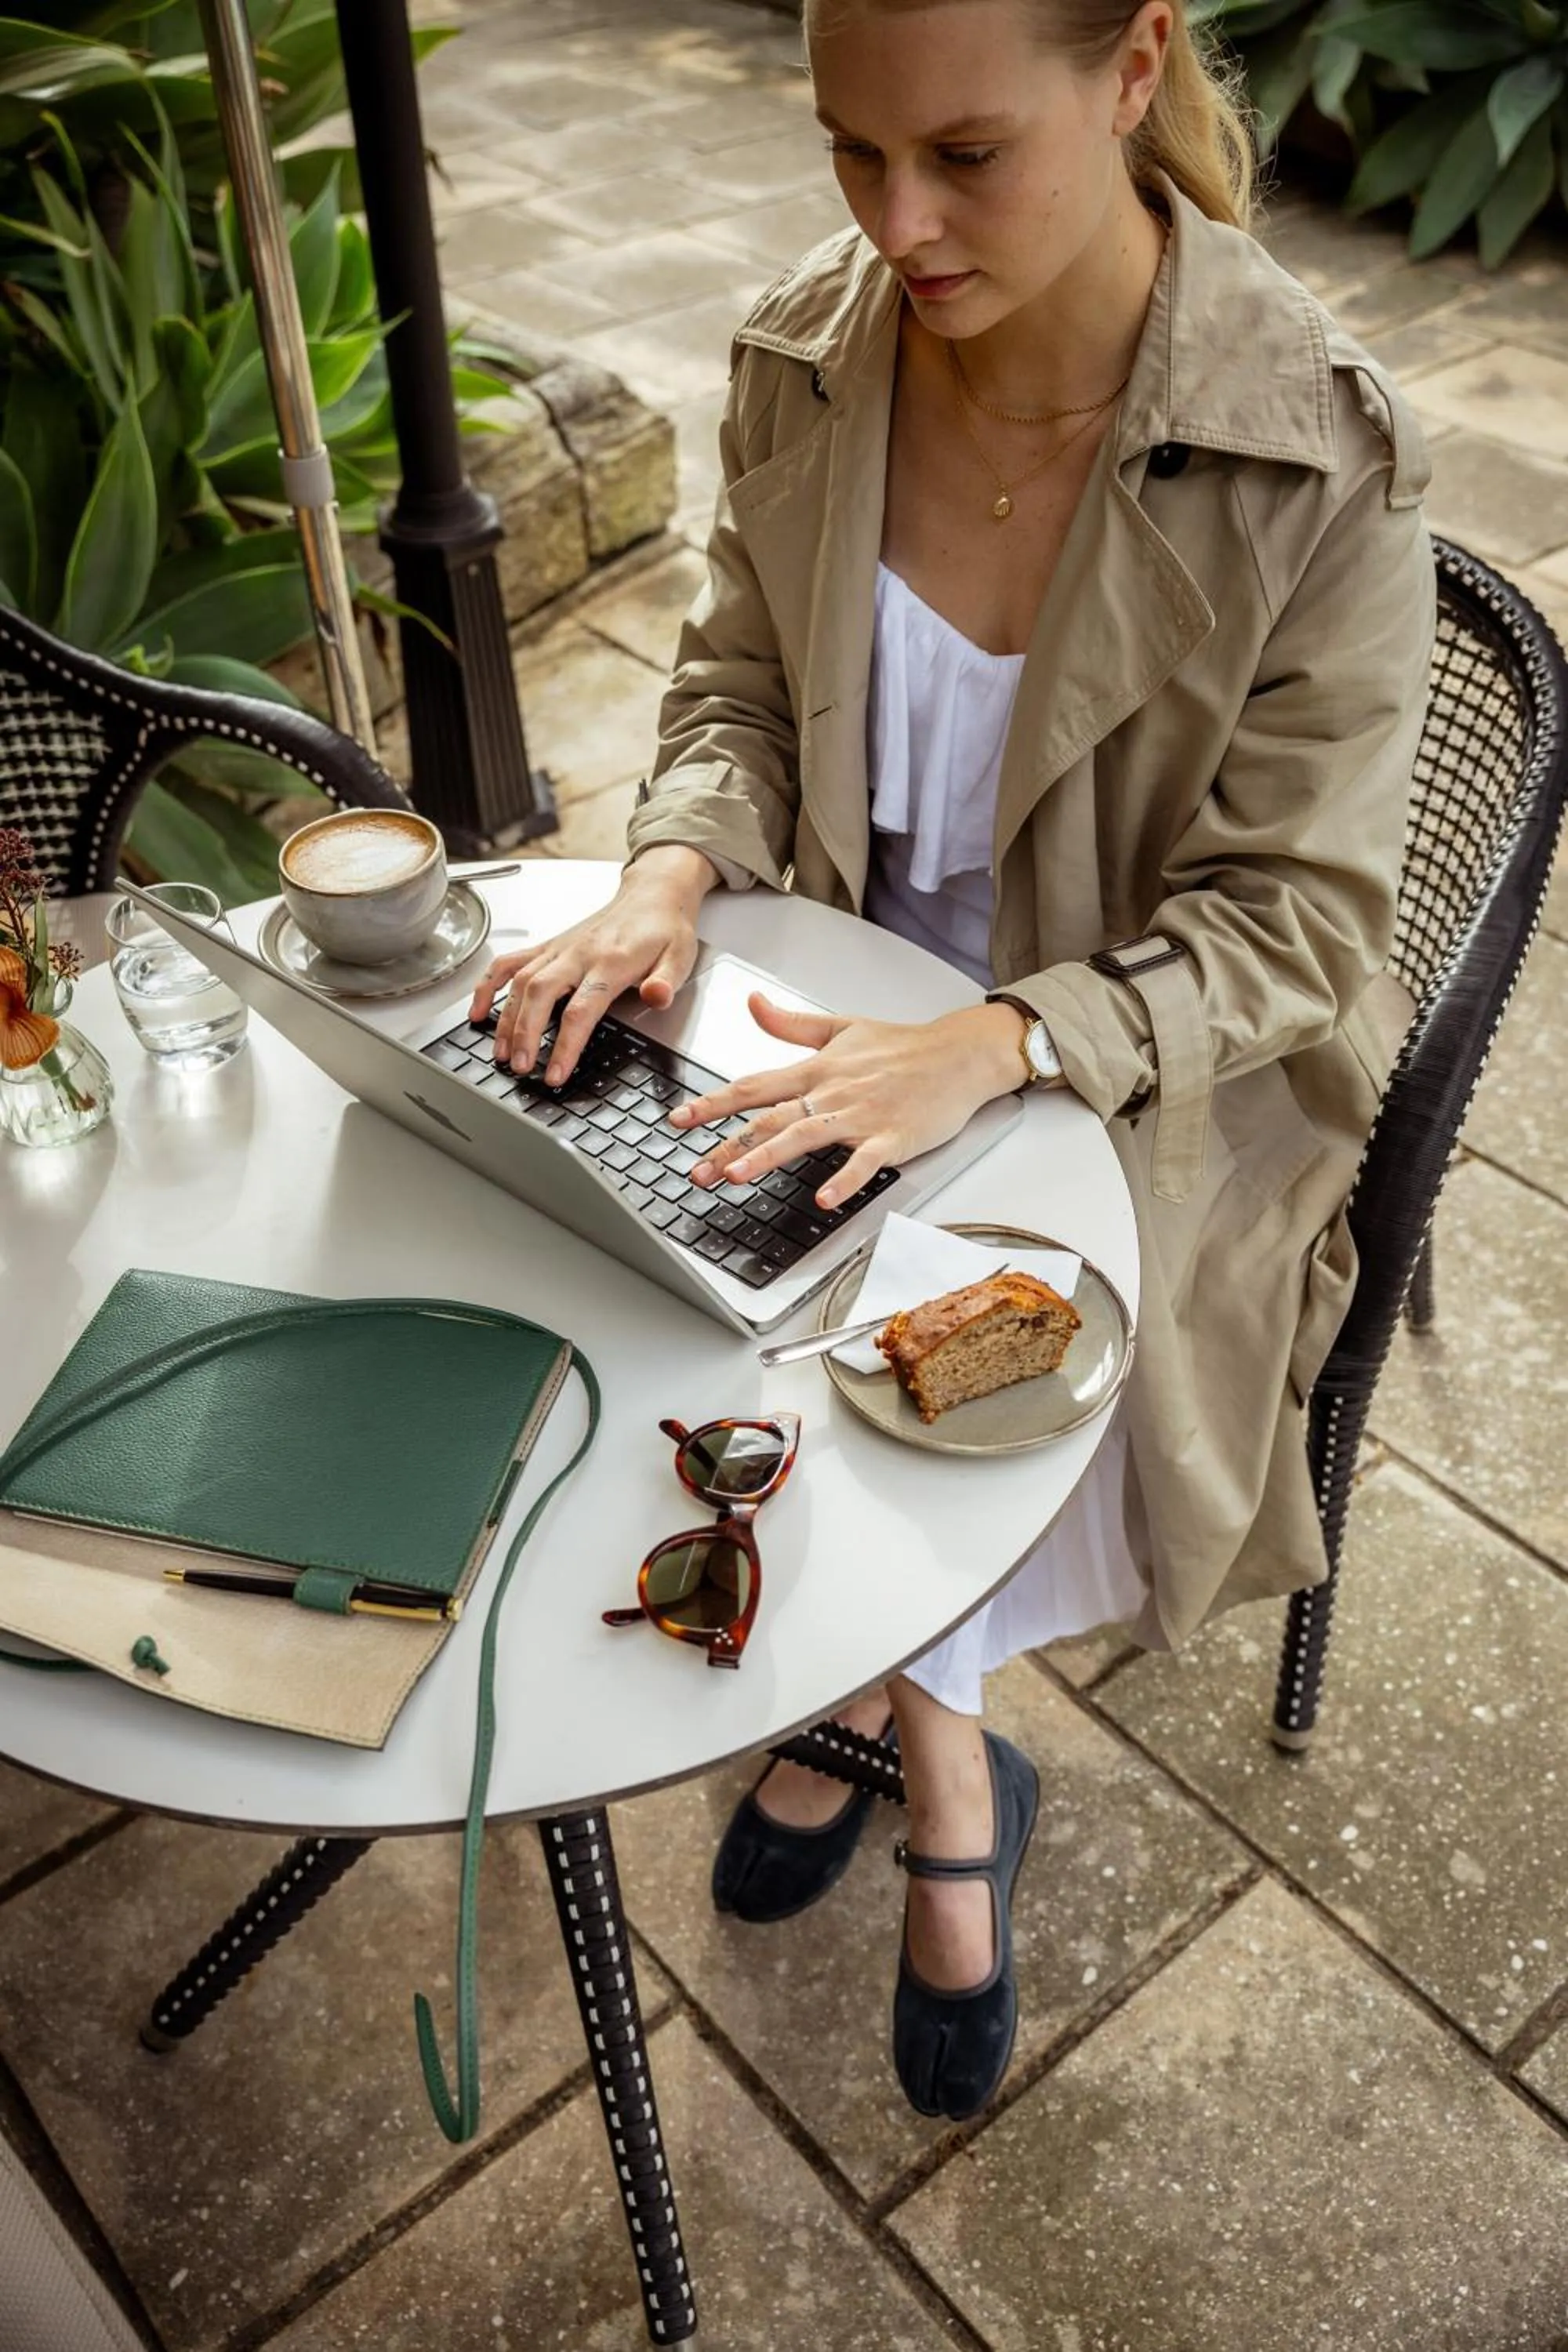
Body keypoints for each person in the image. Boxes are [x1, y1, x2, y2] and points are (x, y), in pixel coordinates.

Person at [472, 0, 1434, 2123]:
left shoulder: (1317, 459)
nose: (896, 225)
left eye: (965, 157)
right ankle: (929, 1736)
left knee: (859, 1353)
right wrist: (664, 869)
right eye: (849, 150)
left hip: (1127, 1102)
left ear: (1129, 65)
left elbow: (1303, 929)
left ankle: (923, 1770)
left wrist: (994, 1040)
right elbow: (731, 681)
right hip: (800, 1019)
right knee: (611, 1238)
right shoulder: (811, 355)